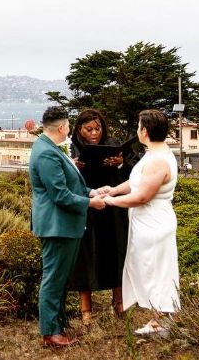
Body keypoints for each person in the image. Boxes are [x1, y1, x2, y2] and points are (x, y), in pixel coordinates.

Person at [96, 109, 180, 335]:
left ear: (144, 131)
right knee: (149, 269)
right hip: (147, 221)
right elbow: (136, 183)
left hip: (154, 223)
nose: (137, 131)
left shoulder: (158, 161)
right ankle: (159, 321)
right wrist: (113, 190)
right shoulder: (155, 153)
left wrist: (110, 202)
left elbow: (142, 196)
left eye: (138, 127)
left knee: (157, 271)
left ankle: (162, 323)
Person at [29, 106, 107, 348]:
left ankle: (58, 325)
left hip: (64, 226)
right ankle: (50, 333)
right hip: (57, 226)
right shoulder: (46, 153)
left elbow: (69, 185)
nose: (69, 131)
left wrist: (92, 191)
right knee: (53, 280)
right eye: (68, 127)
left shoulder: (50, 148)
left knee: (60, 279)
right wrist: (91, 203)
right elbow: (60, 195)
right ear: (62, 127)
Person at [68, 109, 135, 324]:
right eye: (89, 129)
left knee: (116, 251)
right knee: (86, 256)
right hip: (87, 206)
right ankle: (86, 309)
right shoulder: (72, 148)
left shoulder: (113, 143)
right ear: (79, 129)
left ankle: (119, 301)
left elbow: (135, 173)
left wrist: (120, 164)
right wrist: (74, 167)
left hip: (113, 206)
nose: (94, 133)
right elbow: (66, 181)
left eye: (98, 128)